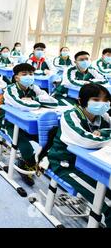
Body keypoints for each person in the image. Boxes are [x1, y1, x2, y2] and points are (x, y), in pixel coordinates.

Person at [48, 83, 111, 227]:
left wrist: (103, 133)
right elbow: (85, 140)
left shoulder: (103, 116)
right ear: (81, 100)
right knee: (108, 203)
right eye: (96, 99)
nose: (102, 104)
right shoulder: (71, 115)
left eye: (106, 100)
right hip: (66, 164)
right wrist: (106, 139)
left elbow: (97, 139)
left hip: (93, 163)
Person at [2, 63, 58, 186]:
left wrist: (34, 101)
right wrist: (38, 102)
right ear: (16, 77)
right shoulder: (10, 89)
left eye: (31, 74)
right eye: (24, 74)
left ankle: (31, 163)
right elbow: (20, 104)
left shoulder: (34, 87)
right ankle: (27, 164)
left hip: (30, 124)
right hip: (12, 124)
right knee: (27, 149)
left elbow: (53, 102)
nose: (29, 76)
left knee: (51, 142)